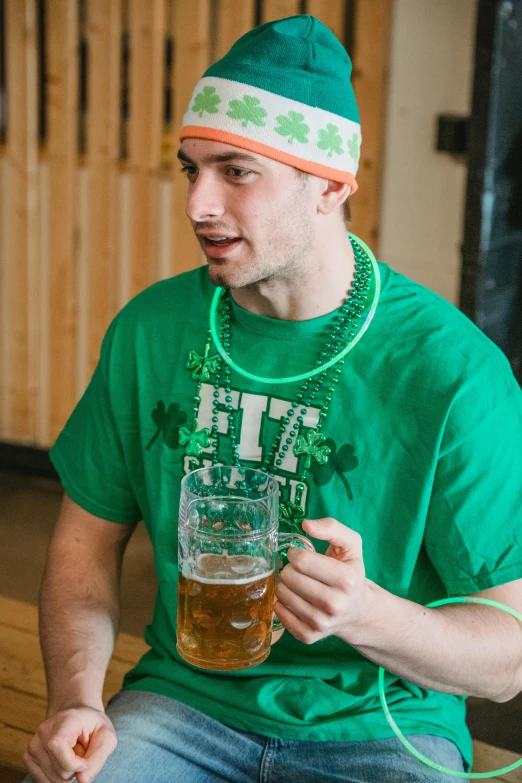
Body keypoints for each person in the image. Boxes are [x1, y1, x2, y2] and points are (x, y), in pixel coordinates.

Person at [23, 15, 522, 783]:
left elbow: (507, 661)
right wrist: (76, 700)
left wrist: (366, 615)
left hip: (383, 734)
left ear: (331, 184)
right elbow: (84, 549)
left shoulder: (453, 371)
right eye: (192, 169)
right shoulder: (150, 331)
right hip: (181, 707)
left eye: (237, 170)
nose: (198, 203)